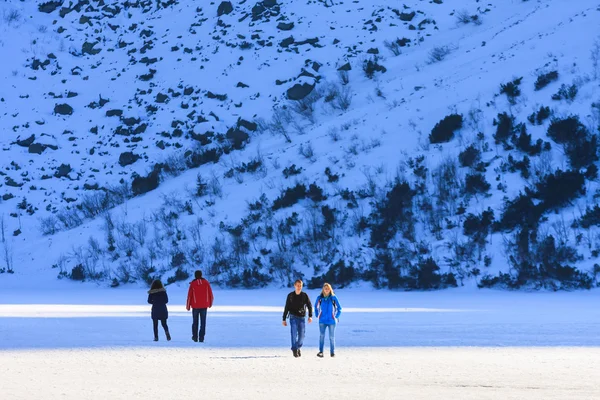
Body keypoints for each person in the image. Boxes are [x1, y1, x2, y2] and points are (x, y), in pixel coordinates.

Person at [282, 279, 313, 357]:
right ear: (294, 286)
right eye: (297, 285)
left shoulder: (304, 295)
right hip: (293, 317)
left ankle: (298, 347)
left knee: (302, 335)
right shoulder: (290, 296)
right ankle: (294, 349)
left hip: (302, 317)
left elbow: (309, 306)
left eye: (300, 286)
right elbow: (287, 307)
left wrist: (310, 316)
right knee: (293, 333)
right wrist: (284, 319)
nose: (299, 287)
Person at [314, 283, 342, 357]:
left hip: (331, 321)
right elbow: (315, 306)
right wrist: (317, 314)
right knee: (321, 336)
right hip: (322, 320)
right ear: (323, 289)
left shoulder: (333, 298)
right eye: (325, 288)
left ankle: (332, 352)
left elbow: (340, 308)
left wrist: (335, 316)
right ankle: (321, 352)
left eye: (328, 288)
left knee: (331, 337)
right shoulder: (319, 298)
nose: (326, 289)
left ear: (330, 289)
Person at [186, 270, 214, 343]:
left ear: (195, 275)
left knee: (195, 322)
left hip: (195, 306)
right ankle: (201, 338)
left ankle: (195, 337)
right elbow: (211, 294)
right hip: (204, 306)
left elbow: (189, 296)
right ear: (201, 275)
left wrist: (188, 306)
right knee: (203, 322)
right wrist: (210, 304)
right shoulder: (206, 283)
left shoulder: (193, 284)